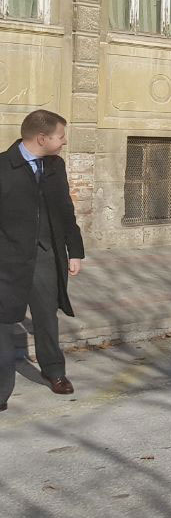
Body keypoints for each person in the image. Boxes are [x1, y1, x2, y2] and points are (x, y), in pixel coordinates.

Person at [2, 110, 85, 410]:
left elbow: (65, 209)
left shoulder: (55, 165)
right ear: (42, 138)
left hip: (46, 256)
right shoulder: (2, 167)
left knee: (47, 318)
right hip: (7, 261)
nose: (64, 141)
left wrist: (74, 250)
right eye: (60, 136)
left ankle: (55, 372)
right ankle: (1, 390)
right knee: (3, 323)